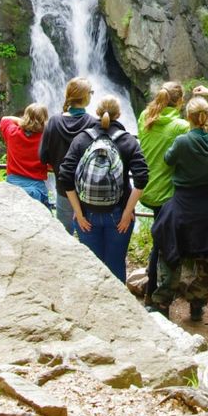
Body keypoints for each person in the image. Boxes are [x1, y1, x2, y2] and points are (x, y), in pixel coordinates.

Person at [149, 86, 208, 320]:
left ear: (188, 117)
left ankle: (162, 301)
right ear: (207, 115)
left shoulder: (182, 141)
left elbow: (168, 160)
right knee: (203, 257)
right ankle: (197, 305)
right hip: (207, 204)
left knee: (170, 249)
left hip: (182, 203)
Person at [57, 96, 149, 281]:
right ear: (119, 114)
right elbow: (142, 178)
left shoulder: (82, 139)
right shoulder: (128, 141)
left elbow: (65, 176)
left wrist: (78, 212)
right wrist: (127, 212)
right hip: (119, 215)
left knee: (93, 269)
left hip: (86, 216)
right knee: (115, 267)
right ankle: (119, 308)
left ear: (97, 113)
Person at [137, 82, 190, 302]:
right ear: (179, 102)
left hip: (145, 189)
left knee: (159, 240)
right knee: (162, 244)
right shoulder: (180, 127)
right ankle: (154, 293)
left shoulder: (143, 117)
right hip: (165, 195)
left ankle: (153, 289)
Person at [40, 77, 98, 236]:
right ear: (86, 97)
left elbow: (43, 156)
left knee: (63, 235)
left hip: (63, 187)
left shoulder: (54, 122)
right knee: (88, 235)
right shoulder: (94, 124)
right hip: (89, 190)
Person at [0, 103, 51, 208]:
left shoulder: (12, 132)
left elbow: (5, 119)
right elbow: (51, 164)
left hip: (13, 185)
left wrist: (24, 122)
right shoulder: (46, 139)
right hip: (36, 189)